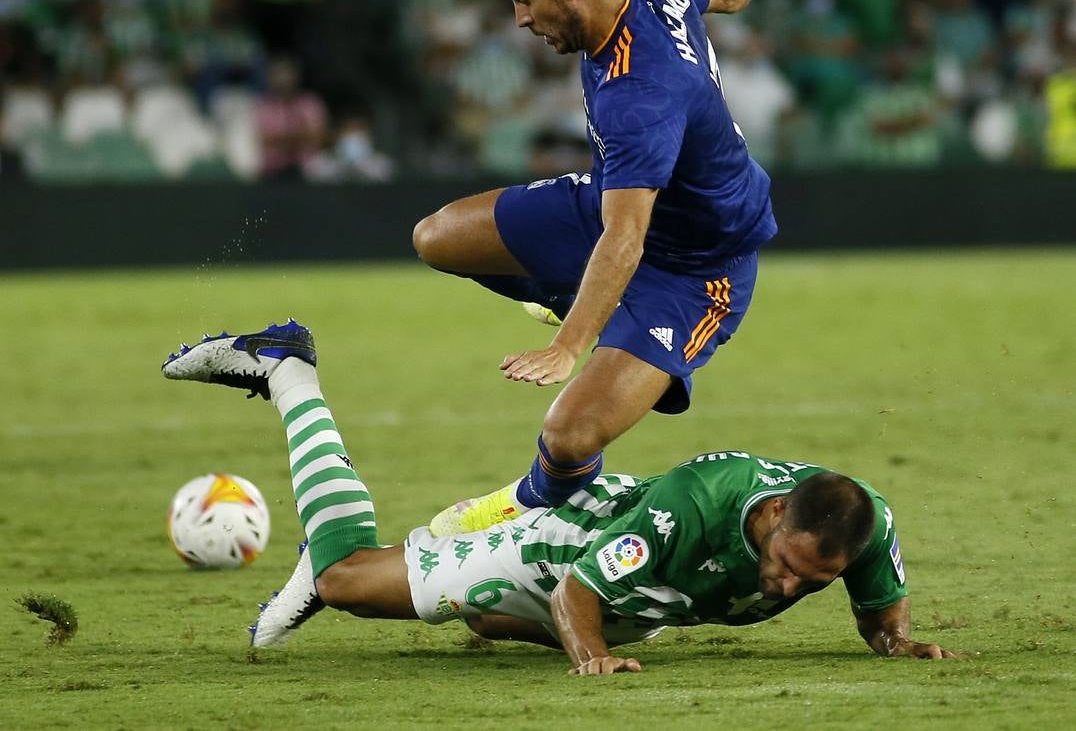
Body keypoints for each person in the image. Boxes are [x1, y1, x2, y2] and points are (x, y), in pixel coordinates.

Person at [161, 322, 956, 674]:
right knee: (343, 580)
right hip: (564, 549)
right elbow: (580, 588)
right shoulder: (695, 504)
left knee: (492, 615)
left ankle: (468, 585)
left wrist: (897, 642)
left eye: (812, 583)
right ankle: (289, 370)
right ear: (775, 515)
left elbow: (882, 612)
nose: (788, 587)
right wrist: (589, 656)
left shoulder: (859, 523)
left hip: (641, 588)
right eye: (787, 567)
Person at [410, 0, 791, 535]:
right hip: (618, 201)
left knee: (568, 434)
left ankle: (535, 500)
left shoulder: (638, 93)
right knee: (438, 237)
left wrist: (568, 348)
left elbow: (626, 237)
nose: (520, 19)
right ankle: (596, 304)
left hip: (697, 269)